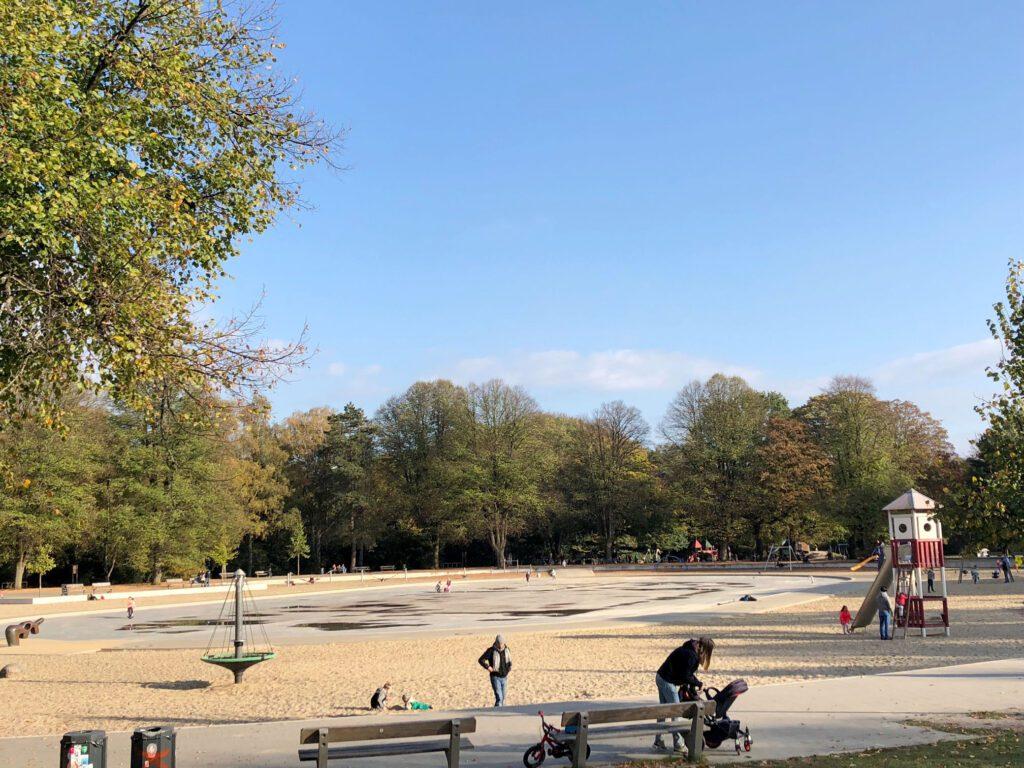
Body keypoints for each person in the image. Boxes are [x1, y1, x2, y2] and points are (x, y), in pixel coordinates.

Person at [652, 637, 715, 754]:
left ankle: (658, 741)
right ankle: (679, 744)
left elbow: (686, 673)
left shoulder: (689, 649)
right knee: (676, 712)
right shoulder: (692, 655)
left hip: (660, 676)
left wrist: (695, 684)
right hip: (667, 680)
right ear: (705, 650)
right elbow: (685, 675)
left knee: (663, 711)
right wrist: (697, 683)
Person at [478, 635, 512, 707]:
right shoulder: (491, 650)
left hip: (504, 677)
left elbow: (509, 660)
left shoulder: (507, 650)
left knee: (503, 698)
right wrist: (488, 667)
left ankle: (502, 714)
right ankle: (497, 712)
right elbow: (481, 660)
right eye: (499, 643)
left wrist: (509, 667)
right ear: (496, 642)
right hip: (495, 677)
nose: (500, 645)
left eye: (502, 644)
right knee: (499, 698)